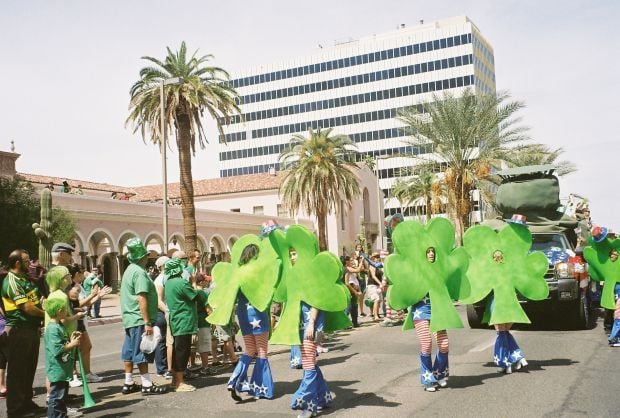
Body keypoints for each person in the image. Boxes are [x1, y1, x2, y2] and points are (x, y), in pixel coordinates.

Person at [224, 244, 275, 402]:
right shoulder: (257, 271)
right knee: (261, 351)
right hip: (258, 312)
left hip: (243, 314)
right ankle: (261, 388)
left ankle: (234, 379)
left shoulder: (238, 272)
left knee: (249, 349)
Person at [119, 238, 167, 395]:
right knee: (142, 351)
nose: (147, 258)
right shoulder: (139, 273)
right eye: (146, 255)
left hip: (129, 318)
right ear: (142, 257)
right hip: (139, 318)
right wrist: (147, 322)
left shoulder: (128, 270)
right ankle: (146, 384)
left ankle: (128, 382)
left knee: (129, 351)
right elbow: (141, 297)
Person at [2, 249, 46, 417]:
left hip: (31, 330)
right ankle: (15, 410)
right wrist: (46, 314)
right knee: (17, 372)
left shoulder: (25, 278)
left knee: (29, 369)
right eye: (27, 261)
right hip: (19, 330)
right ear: (18, 263)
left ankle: (27, 402)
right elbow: (26, 307)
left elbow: (35, 299)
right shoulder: (11, 281)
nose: (30, 263)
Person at [410, 247, 449, 391]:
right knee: (427, 343)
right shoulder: (417, 270)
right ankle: (427, 379)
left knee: (444, 344)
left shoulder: (439, 269)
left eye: (433, 251)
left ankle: (439, 374)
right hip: (420, 310)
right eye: (428, 251)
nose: (431, 253)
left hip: (437, 309)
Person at [67, 263, 111, 384]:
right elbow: (78, 305)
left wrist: (97, 296)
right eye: (82, 273)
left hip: (81, 320)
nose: (84, 275)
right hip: (75, 320)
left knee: (86, 346)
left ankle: (86, 373)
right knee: (74, 348)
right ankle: (73, 375)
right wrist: (92, 294)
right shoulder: (72, 288)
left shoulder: (79, 286)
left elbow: (85, 303)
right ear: (76, 274)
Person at [163, 258, 199, 392]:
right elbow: (195, 296)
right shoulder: (182, 283)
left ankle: (174, 381)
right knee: (182, 352)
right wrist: (194, 282)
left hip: (175, 320)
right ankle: (179, 383)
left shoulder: (169, 282)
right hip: (184, 320)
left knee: (178, 349)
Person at [44, 298, 83, 418]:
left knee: (61, 396)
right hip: (57, 369)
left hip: (63, 368)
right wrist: (72, 344)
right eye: (66, 309)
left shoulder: (59, 325)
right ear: (60, 311)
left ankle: (61, 415)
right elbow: (57, 349)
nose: (67, 311)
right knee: (56, 397)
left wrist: (71, 340)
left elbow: (62, 342)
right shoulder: (52, 329)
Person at [153, 256, 172, 379]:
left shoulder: (165, 278)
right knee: (162, 341)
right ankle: (162, 369)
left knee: (166, 342)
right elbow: (159, 300)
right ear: (163, 266)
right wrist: (167, 312)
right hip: (161, 313)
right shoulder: (160, 280)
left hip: (165, 312)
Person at [195, 273, 217, 376]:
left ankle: (193, 364)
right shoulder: (202, 293)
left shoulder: (193, 292)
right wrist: (213, 321)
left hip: (195, 321)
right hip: (203, 321)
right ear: (201, 282)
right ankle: (205, 367)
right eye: (204, 280)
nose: (206, 282)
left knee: (195, 346)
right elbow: (208, 309)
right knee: (204, 345)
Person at [606, 248, 620, 346]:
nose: (612, 256)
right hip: (615, 293)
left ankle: (614, 337)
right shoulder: (609, 265)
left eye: (614, 254)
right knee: (618, 317)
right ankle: (613, 337)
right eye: (611, 254)